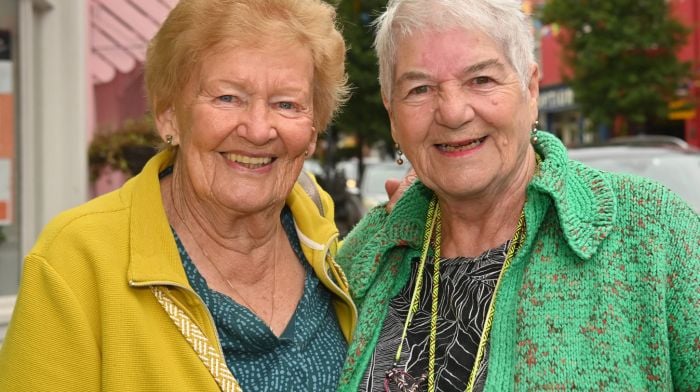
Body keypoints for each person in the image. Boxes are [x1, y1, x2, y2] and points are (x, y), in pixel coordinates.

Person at [336, 0, 700, 391]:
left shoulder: (653, 233)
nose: (453, 112)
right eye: (420, 88)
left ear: (531, 90)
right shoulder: (361, 262)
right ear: (392, 115)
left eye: (481, 80)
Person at [0, 0, 356, 390]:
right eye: (227, 97)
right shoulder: (78, 259)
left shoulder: (325, 240)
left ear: (312, 131)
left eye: (286, 104)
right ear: (169, 115)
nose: (257, 129)